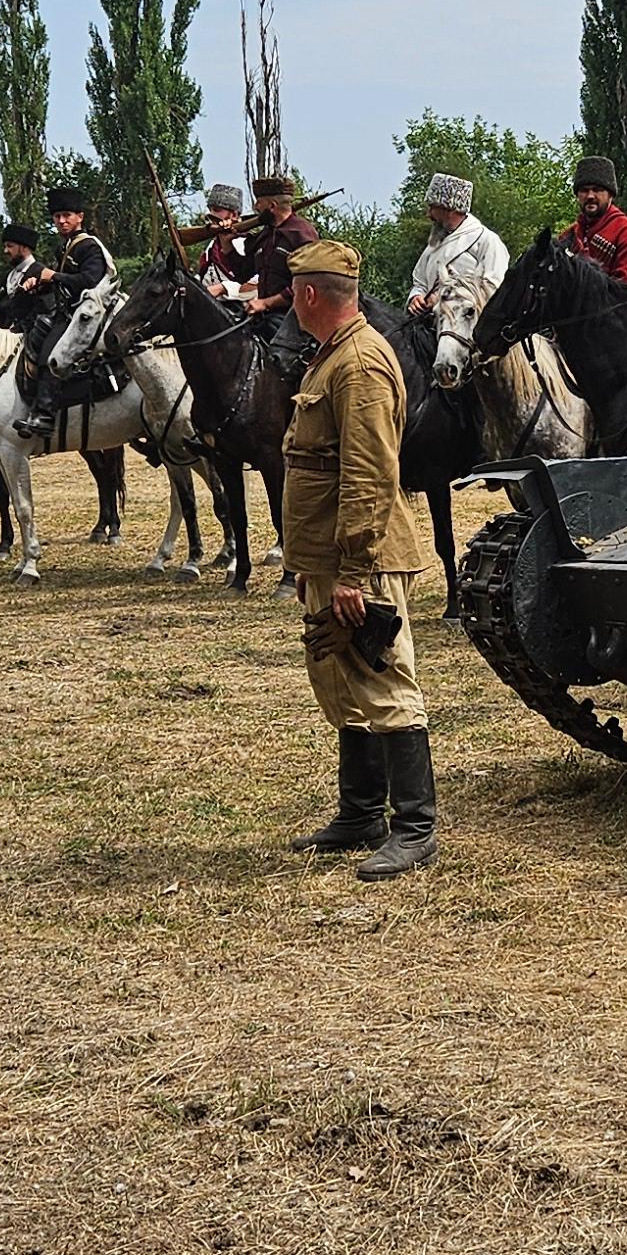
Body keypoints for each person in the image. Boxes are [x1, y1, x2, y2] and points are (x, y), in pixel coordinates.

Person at [278, 238, 438, 881]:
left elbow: (371, 472)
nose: (290, 301)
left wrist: (353, 572)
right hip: (327, 555)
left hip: (360, 559)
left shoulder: (362, 365)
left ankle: (416, 827)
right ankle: (361, 812)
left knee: (384, 682)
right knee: (342, 681)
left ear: (310, 295)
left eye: (293, 291)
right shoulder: (331, 358)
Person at [13, 185, 113, 439]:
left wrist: (53, 275)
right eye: (57, 216)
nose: (62, 220)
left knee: (51, 352)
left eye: (67, 215)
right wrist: (42, 283)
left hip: (90, 314)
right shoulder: (64, 247)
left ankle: (45, 415)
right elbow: (64, 284)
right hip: (69, 312)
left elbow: (91, 280)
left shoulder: (88, 246)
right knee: (34, 339)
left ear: (80, 217)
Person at [246, 173, 322, 374]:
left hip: (294, 319)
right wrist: (227, 241)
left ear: (271, 205)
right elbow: (242, 272)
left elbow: (307, 284)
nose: (255, 208)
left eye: (258, 203)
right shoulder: (264, 236)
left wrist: (266, 303)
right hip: (263, 315)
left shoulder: (302, 234)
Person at [405, 172, 508, 313]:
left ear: (450, 210)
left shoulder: (487, 241)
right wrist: (416, 297)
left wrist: (445, 299)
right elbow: (420, 282)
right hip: (426, 322)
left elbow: (493, 289)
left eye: (433, 208)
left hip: (464, 326)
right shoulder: (435, 244)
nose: (428, 214)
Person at [564, 156, 627, 288]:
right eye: (584, 190)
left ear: (610, 194)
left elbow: (626, 292)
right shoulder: (569, 234)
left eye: (598, 190)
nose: (590, 196)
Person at [197, 182, 251, 298]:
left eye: (216, 210)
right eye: (210, 210)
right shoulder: (211, 246)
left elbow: (256, 285)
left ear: (234, 215)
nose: (211, 215)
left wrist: (223, 288)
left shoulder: (245, 243)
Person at [0, 223, 41, 330]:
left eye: (10, 246)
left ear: (24, 247)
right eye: (5, 246)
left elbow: (41, 312)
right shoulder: (7, 277)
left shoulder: (40, 273)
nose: (5, 251)